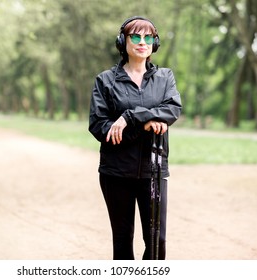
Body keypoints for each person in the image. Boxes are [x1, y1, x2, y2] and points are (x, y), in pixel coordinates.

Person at [88, 16, 182, 260]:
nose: (143, 42)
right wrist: (147, 123)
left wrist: (130, 117)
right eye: (136, 37)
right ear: (123, 41)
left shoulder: (165, 78)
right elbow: (100, 126)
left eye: (148, 37)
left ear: (155, 42)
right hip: (116, 172)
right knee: (122, 241)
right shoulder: (105, 81)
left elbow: (172, 109)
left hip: (154, 170)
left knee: (156, 242)